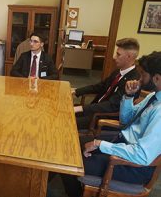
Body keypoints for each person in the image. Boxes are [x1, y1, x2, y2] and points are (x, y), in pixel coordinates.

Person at [59, 51, 161, 197]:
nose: (140, 79)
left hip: (131, 165)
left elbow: (142, 155)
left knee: (66, 160)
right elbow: (126, 121)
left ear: (156, 78)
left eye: (143, 74)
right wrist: (128, 96)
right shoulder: (153, 96)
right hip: (122, 143)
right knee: (67, 145)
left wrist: (101, 144)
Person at [73, 38, 140, 129]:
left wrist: (82, 108)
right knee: (63, 112)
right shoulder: (117, 72)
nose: (114, 57)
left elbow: (112, 105)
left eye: (118, 54)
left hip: (103, 116)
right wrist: (76, 91)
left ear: (129, 57)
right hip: (95, 108)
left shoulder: (133, 81)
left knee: (67, 121)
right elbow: (100, 86)